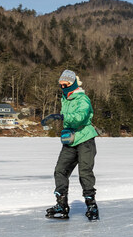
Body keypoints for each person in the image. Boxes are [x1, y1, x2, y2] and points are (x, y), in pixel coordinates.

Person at [41, 69, 99, 220]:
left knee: (85, 172)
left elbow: (80, 117)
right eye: (61, 84)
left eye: (65, 84)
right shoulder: (65, 99)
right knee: (60, 170)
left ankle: (91, 206)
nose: (63, 87)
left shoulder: (83, 99)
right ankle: (62, 205)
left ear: (72, 83)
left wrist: (61, 116)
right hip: (71, 140)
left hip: (85, 140)